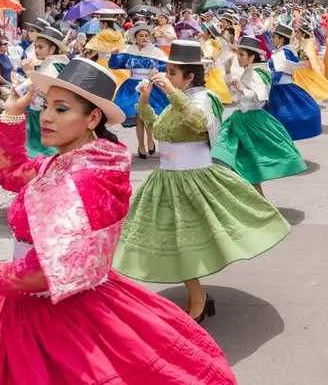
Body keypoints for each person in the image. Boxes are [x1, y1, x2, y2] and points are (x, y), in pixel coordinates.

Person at [0, 57, 238, 384]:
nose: (47, 117)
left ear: (92, 117)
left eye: (62, 109)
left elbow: (43, 275)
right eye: (46, 105)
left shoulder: (83, 178)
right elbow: (12, 175)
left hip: (61, 314)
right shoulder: (66, 163)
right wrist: (12, 113)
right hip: (32, 304)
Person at [113, 41, 291, 322]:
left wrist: (171, 92)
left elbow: (198, 123)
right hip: (167, 180)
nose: (167, 77)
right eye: (168, 71)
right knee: (171, 241)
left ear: (189, 77)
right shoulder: (178, 99)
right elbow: (159, 129)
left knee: (185, 241)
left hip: (193, 179)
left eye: (172, 73)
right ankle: (198, 296)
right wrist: (145, 101)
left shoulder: (203, 98)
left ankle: (198, 297)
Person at [211, 36, 308, 199]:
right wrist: (228, 74)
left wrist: (242, 90)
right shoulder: (247, 72)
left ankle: (258, 202)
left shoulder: (256, 73)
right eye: (238, 54)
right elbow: (234, 93)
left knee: (247, 163)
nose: (238, 58)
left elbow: (260, 97)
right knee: (237, 161)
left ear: (251, 57)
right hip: (241, 118)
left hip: (252, 120)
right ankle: (253, 201)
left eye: (242, 55)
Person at [0, 26, 71, 174]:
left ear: (52, 49)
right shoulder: (52, 63)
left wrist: (29, 73)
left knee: (36, 149)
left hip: (43, 114)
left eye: (40, 47)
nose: (37, 50)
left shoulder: (52, 65)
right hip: (38, 113)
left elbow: (45, 90)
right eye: (36, 47)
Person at [109, 23, 168, 158]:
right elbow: (115, 65)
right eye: (141, 35)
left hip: (150, 86)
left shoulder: (155, 51)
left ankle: (149, 140)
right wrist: (113, 56)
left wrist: (157, 68)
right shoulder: (129, 51)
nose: (144, 38)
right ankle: (141, 144)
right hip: (132, 86)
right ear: (135, 37)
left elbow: (166, 65)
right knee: (139, 116)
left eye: (146, 35)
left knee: (146, 115)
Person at [265, 24, 323, 141]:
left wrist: (265, 87)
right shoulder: (287, 51)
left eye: (274, 37)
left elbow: (276, 74)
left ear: (281, 39)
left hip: (279, 90)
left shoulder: (282, 54)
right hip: (286, 88)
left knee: (276, 121)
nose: (271, 39)